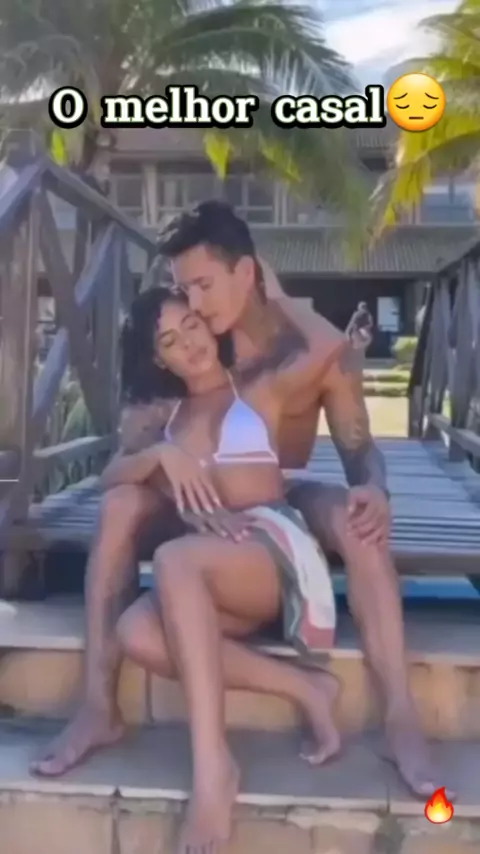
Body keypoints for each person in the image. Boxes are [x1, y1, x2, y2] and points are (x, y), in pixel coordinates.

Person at [31, 200, 446, 801]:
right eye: (183, 290)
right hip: (197, 503)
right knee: (119, 506)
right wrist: (160, 456)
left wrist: (373, 487)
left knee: (357, 520)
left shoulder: (294, 353)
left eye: (202, 286)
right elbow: (125, 460)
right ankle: (98, 705)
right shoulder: (181, 350)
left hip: (280, 496)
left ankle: (401, 718)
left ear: (246, 273)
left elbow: (359, 449)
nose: (193, 304)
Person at [112, 285, 340, 853]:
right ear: (160, 359)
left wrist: (273, 291)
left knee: (173, 558)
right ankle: (306, 687)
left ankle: (213, 768)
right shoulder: (169, 421)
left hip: (273, 553)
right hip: (212, 573)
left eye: (191, 324)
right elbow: (108, 478)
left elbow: (327, 345)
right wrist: (160, 455)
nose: (188, 343)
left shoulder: (255, 387)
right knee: (134, 631)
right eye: (170, 340)